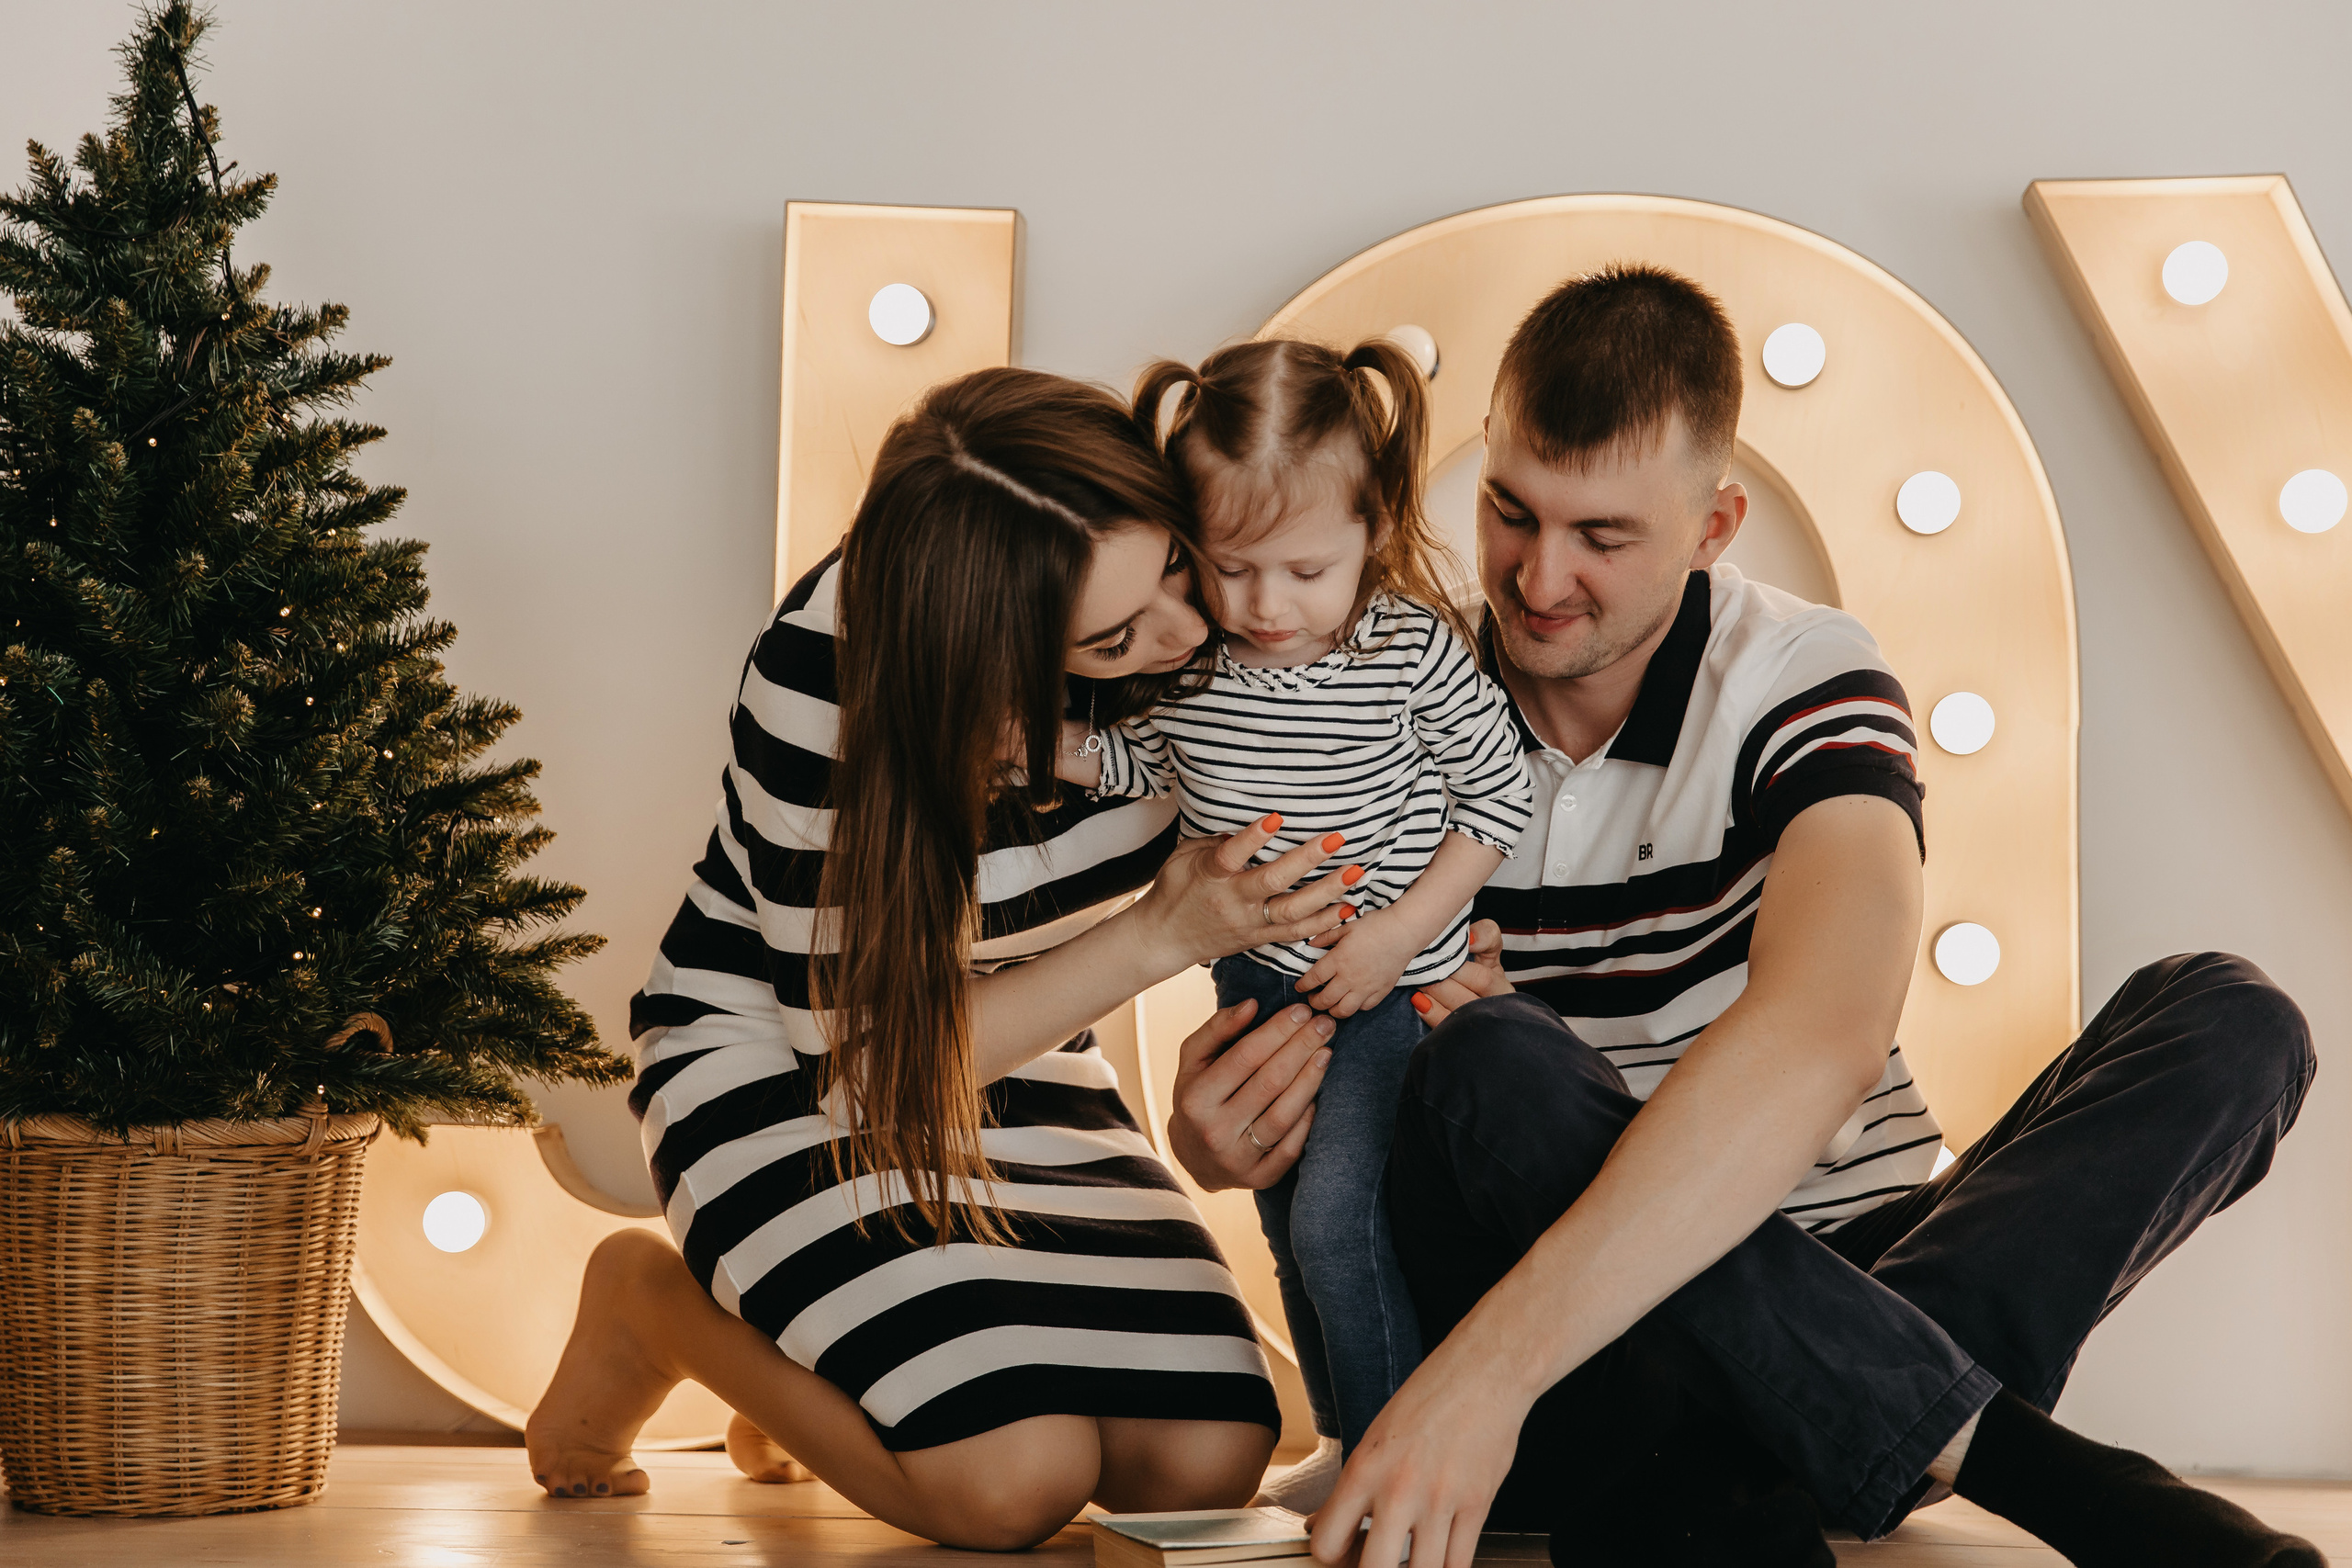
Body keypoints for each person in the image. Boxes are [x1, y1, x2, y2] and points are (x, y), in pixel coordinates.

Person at [1167, 266, 2321, 1568]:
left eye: (1604, 536)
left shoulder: (1800, 671)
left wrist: (1482, 1373)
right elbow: (1322, 1021)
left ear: (1716, 524)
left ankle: (1763, 1447)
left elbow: (1825, 1028)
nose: (1540, 576)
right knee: (1490, 1063)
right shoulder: (1385, 693)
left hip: (1816, 1278)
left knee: (2229, 1015)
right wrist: (1236, 1125)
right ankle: (2007, 1462)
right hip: (1554, 1336)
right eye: (1511, 512)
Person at [526, 367, 1368, 1551]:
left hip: (1026, 1056)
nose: (1191, 633)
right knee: (1007, 1480)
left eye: (1175, 562)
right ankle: (653, 1311)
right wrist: (1161, 935)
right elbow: (869, 1071)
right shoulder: (827, 683)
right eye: (1116, 637)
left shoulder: (1242, 575)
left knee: (1206, 1459)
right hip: (792, 1070)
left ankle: (820, 1383)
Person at [1056, 339, 1533, 1485]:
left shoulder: (1409, 652)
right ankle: (1336, 1436)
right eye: (1230, 568)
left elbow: (1499, 799)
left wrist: (1392, 939)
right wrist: (1056, 751)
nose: (1266, 606)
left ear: (1372, 528)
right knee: (1276, 1211)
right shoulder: (1194, 662)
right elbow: (1149, 770)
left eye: (1305, 570)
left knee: (1336, 1225)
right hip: (1254, 981)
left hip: (1380, 991)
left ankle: (1387, 1460)